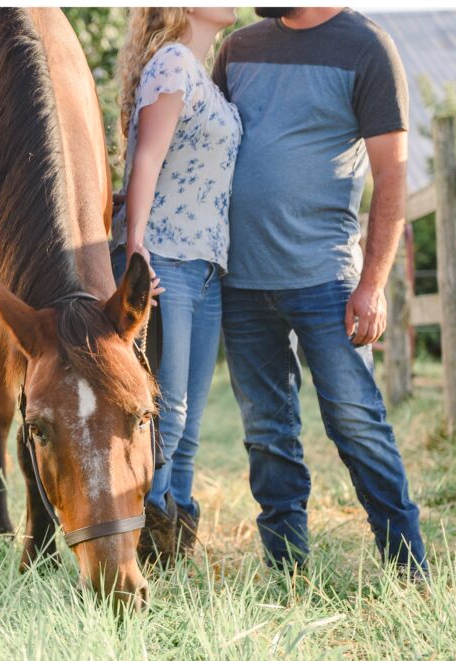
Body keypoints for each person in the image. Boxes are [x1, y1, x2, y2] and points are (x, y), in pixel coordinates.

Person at [212, 7, 428, 576]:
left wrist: (373, 284)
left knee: (357, 421)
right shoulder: (237, 49)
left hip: (327, 279)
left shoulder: (368, 48)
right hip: (241, 281)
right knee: (266, 433)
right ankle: (287, 572)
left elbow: (393, 177)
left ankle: (409, 570)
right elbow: (202, 143)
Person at [112, 7, 242, 566]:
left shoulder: (199, 71)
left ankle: (175, 531)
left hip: (207, 264)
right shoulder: (172, 64)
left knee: (189, 417)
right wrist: (137, 247)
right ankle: (144, 530)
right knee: (170, 411)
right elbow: (146, 158)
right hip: (167, 256)